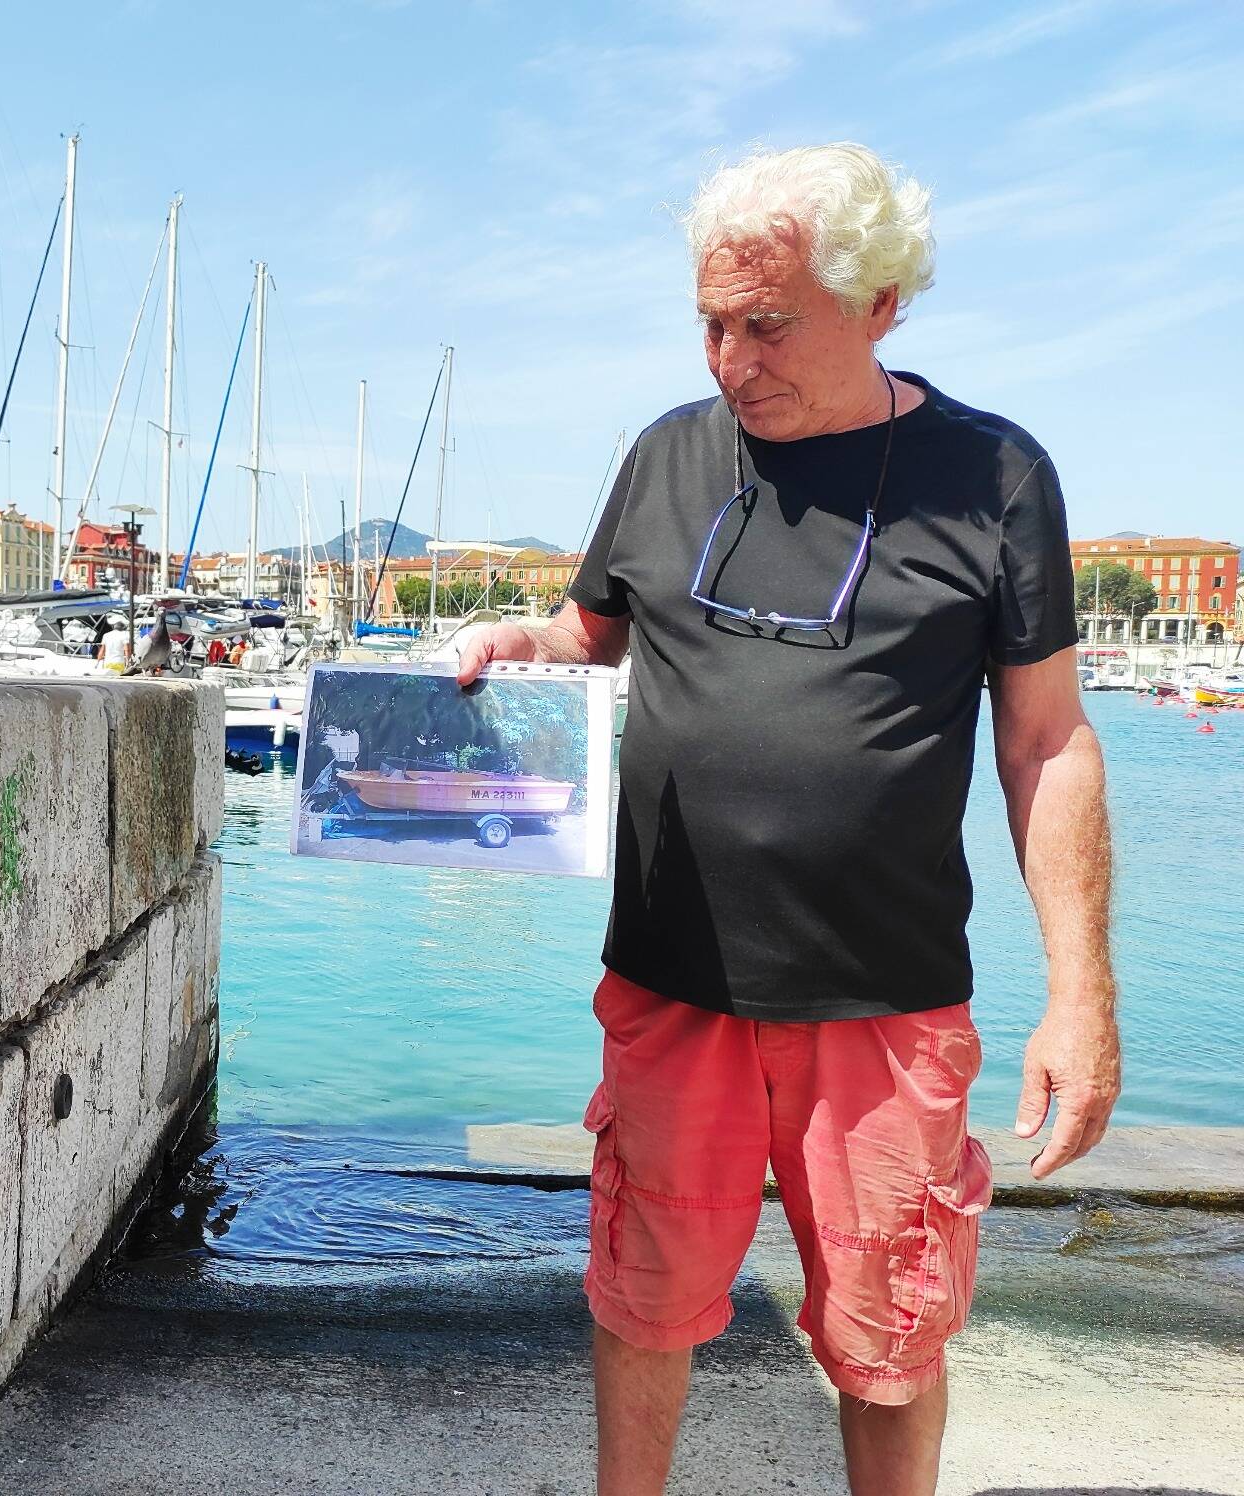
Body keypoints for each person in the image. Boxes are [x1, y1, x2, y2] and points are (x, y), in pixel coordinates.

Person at [456, 144, 1120, 1496]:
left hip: (884, 1005)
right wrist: (519, 642)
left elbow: (1047, 739)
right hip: (669, 985)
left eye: (767, 323)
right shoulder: (666, 454)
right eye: (709, 321)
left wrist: (1082, 995)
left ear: (881, 304)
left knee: (890, 1338)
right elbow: (591, 634)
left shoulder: (994, 474)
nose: (728, 358)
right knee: (642, 1301)